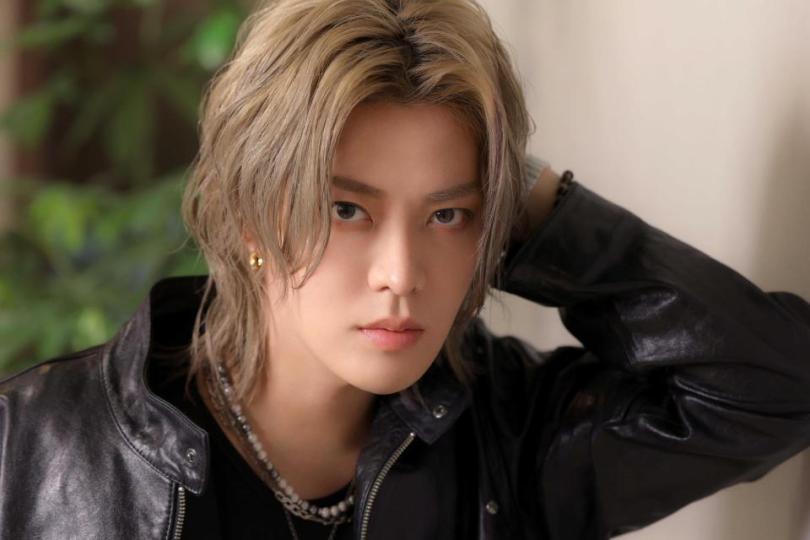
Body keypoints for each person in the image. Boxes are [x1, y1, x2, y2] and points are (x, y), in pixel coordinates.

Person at [1, 0, 809, 539]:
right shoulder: (29, 450)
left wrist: (534, 201)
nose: (400, 273)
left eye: (447, 215)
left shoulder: (512, 440)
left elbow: (776, 388)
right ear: (249, 213)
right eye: (347, 209)